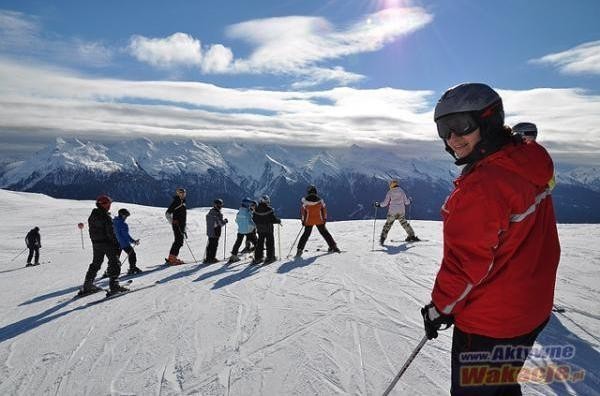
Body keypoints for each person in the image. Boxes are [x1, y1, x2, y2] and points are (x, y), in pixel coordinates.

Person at [421, 83, 560, 395]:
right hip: (531, 311)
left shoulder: (481, 188)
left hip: (489, 324)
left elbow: (465, 266)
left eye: (461, 126)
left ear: (489, 121)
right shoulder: (528, 161)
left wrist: (439, 308)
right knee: (500, 382)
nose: (452, 139)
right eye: (444, 129)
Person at [80, 195, 128, 295]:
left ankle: (87, 285)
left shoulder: (92, 215)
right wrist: (116, 244)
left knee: (96, 263)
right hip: (107, 243)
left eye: (110, 203)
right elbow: (110, 233)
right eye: (108, 203)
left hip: (96, 243)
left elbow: (92, 231)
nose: (109, 205)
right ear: (102, 204)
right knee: (114, 262)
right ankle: (114, 286)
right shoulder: (105, 216)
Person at [295, 185, 340, 258]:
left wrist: (303, 221)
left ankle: (299, 250)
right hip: (319, 220)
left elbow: (303, 213)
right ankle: (333, 247)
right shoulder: (320, 201)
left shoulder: (305, 202)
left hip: (308, 221)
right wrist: (324, 219)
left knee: (305, 235)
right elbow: (324, 211)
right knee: (325, 233)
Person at [374, 179, 420, 245]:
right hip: (401, 211)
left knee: (388, 225)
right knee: (404, 223)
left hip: (392, 211)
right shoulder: (402, 191)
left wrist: (378, 205)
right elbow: (406, 202)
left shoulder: (390, 192)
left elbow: (385, 203)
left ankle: (382, 239)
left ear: (391, 185)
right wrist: (410, 200)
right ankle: (411, 236)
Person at [252, 195, 281, 265]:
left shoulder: (256, 209)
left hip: (260, 229)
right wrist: (278, 221)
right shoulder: (269, 209)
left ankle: (258, 258)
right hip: (268, 229)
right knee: (270, 243)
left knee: (260, 243)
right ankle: (270, 257)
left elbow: (254, 219)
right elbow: (273, 219)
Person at [228, 198, 258, 263]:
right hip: (248, 230)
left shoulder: (240, 211)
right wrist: (255, 226)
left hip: (240, 230)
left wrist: (241, 225)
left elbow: (236, 220)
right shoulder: (247, 212)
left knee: (238, 242)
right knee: (255, 241)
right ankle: (258, 256)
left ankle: (233, 255)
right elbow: (250, 221)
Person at [113, 208, 142, 275]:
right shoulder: (123, 224)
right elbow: (126, 236)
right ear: (122, 215)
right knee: (132, 254)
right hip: (124, 243)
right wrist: (134, 241)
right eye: (126, 215)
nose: (126, 217)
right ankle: (132, 268)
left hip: (115, 243)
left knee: (115, 258)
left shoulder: (114, 221)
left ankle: (110, 271)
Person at [165, 187, 187, 265]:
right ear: (178, 194)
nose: (183, 194)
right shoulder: (176, 202)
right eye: (181, 193)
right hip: (177, 225)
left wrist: (184, 227)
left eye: (184, 193)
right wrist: (172, 221)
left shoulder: (182, 202)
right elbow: (167, 213)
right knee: (179, 241)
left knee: (178, 241)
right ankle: (172, 259)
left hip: (180, 225)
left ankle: (171, 257)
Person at [204, 198, 228, 264]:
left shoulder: (210, 212)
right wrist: (225, 221)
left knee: (210, 245)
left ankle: (208, 258)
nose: (221, 207)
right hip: (215, 232)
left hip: (210, 231)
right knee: (214, 245)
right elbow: (220, 223)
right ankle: (212, 258)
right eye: (220, 205)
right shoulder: (217, 214)